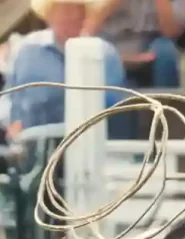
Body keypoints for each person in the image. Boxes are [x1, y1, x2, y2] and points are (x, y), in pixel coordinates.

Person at [6, 0, 133, 139]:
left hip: (87, 141)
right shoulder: (28, 49)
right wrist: (12, 123)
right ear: (50, 14)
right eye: (66, 10)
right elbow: (12, 97)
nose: (73, 16)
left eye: (79, 9)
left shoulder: (105, 53)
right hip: (33, 143)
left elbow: (114, 108)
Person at [81, 0, 185, 88]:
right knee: (105, 59)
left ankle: (166, 109)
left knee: (166, 50)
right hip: (113, 45)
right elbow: (88, 29)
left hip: (149, 44)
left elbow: (171, 32)